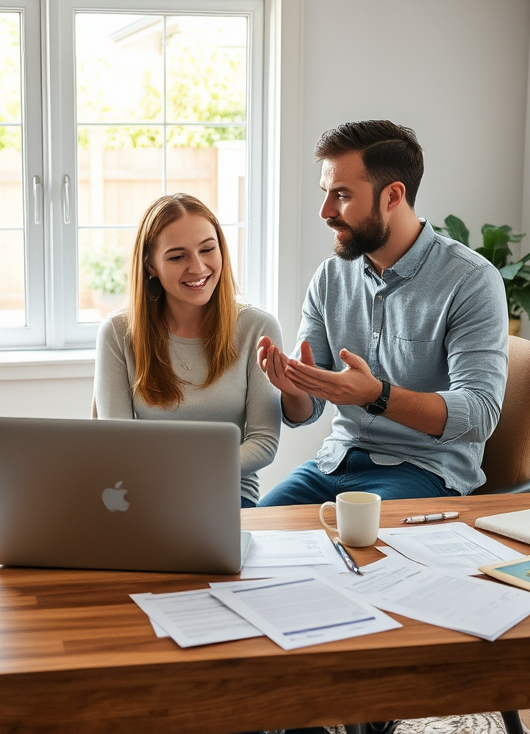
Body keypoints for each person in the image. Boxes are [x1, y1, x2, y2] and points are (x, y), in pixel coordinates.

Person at [255, 120, 508, 507]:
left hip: (425, 471)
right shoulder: (330, 278)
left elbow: (479, 414)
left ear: (392, 196)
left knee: (361, 555)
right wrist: (294, 388)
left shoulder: (471, 280)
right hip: (335, 464)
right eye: (325, 193)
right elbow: (307, 411)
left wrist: (378, 395)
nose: (325, 211)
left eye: (341, 195)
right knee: (256, 539)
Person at [95, 193, 282, 508]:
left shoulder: (257, 328)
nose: (198, 267)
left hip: (228, 494)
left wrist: (185, 475)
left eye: (208, 249)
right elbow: (118, 444)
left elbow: (263, 443)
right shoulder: (117, 332)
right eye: (177, 256)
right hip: (144, 495)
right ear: (150, 266)